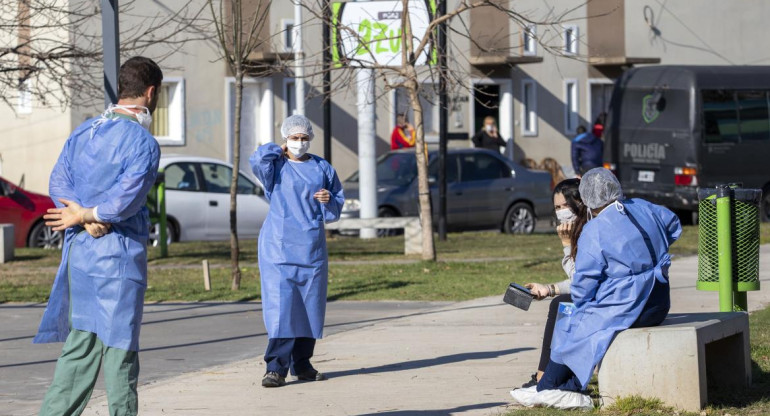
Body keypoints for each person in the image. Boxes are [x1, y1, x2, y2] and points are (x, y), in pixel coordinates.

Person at [34, 56, 162, 415]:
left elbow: (58, 181)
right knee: (120, 351)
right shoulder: (142, 142)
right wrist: (91, 215)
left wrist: (78, 213)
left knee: (80, 346)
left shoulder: (84, 130)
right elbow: (126, 200)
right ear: (151, 93)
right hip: (118, 258)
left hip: (80, 256)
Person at [511, 168, 681, 409]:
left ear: (588, 199)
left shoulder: (596, 229)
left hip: (632, 306)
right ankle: (558, 387)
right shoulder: (643, 206)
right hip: (659, 301)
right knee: (581, 318)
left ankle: (547, 387)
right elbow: (674, 225)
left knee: (575, 323)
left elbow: (582, 290)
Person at [250, 114, 345, 388]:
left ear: (311, 138)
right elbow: (256, 161)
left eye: (304, 138)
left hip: (311, 247)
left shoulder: (322, 167)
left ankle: (302, 364)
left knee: (309, 306)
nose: (299, 143)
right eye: (294, 138)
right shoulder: (276, 166)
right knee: (282, 308)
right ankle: (275, 368)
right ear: (285, 138)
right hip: (278, 247)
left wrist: (328, 200)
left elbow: (337, 199)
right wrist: (275, 149)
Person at [519, 179, 586, 388]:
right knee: (559, 302)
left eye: (566, 205)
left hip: (608, 300)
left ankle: (544, 376)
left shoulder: (589, 231)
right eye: (557, 207)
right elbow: (581, 282)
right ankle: (545, 374)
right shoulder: (577, 230)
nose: (562, 212)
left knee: (561, 305)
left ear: (580, 203)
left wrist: (567, 247)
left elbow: (580, 281)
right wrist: (548, 289)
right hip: (597, 295)